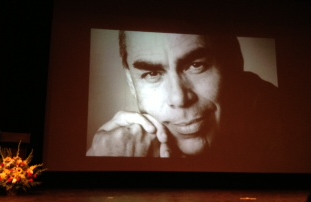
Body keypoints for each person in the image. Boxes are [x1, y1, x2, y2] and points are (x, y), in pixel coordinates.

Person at [87, 31, 284, 163]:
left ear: (234, 62)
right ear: (131, 81)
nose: (179, 98)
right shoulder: (127, 147)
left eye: (197, 65)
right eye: (152, 74)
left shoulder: (286, 131)